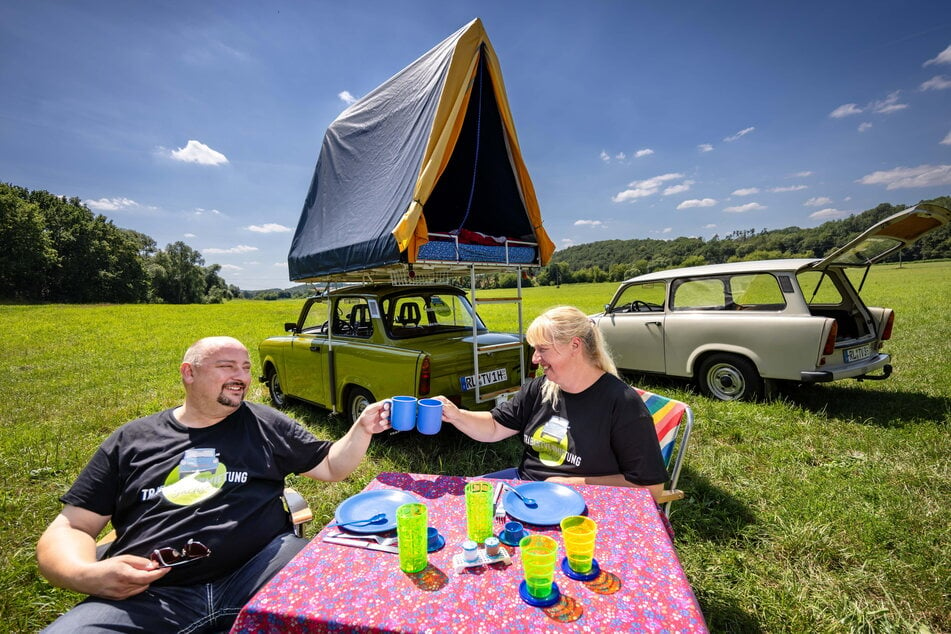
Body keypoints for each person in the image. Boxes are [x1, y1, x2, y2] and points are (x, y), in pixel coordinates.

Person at [36, 336, 391, 632]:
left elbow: (330, 466)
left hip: (260, 568)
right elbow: (73, 525)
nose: (242, 377)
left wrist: (361, 428)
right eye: (227, 366)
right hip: (150, 595)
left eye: (247, 367)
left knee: (345, 614)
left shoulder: (262, 422)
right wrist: (84, 574)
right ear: (188, 373)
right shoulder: (132, 439)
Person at [437, 306, 668, 500]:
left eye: (542, 349)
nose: (535, 359)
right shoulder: (540, 388)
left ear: (575, 346)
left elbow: (652, 488)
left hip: (582, 504)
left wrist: (575, 484)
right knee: (460, 502)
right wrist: (456, 414)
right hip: (525, 490)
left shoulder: (622, 403)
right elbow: (495, 427)